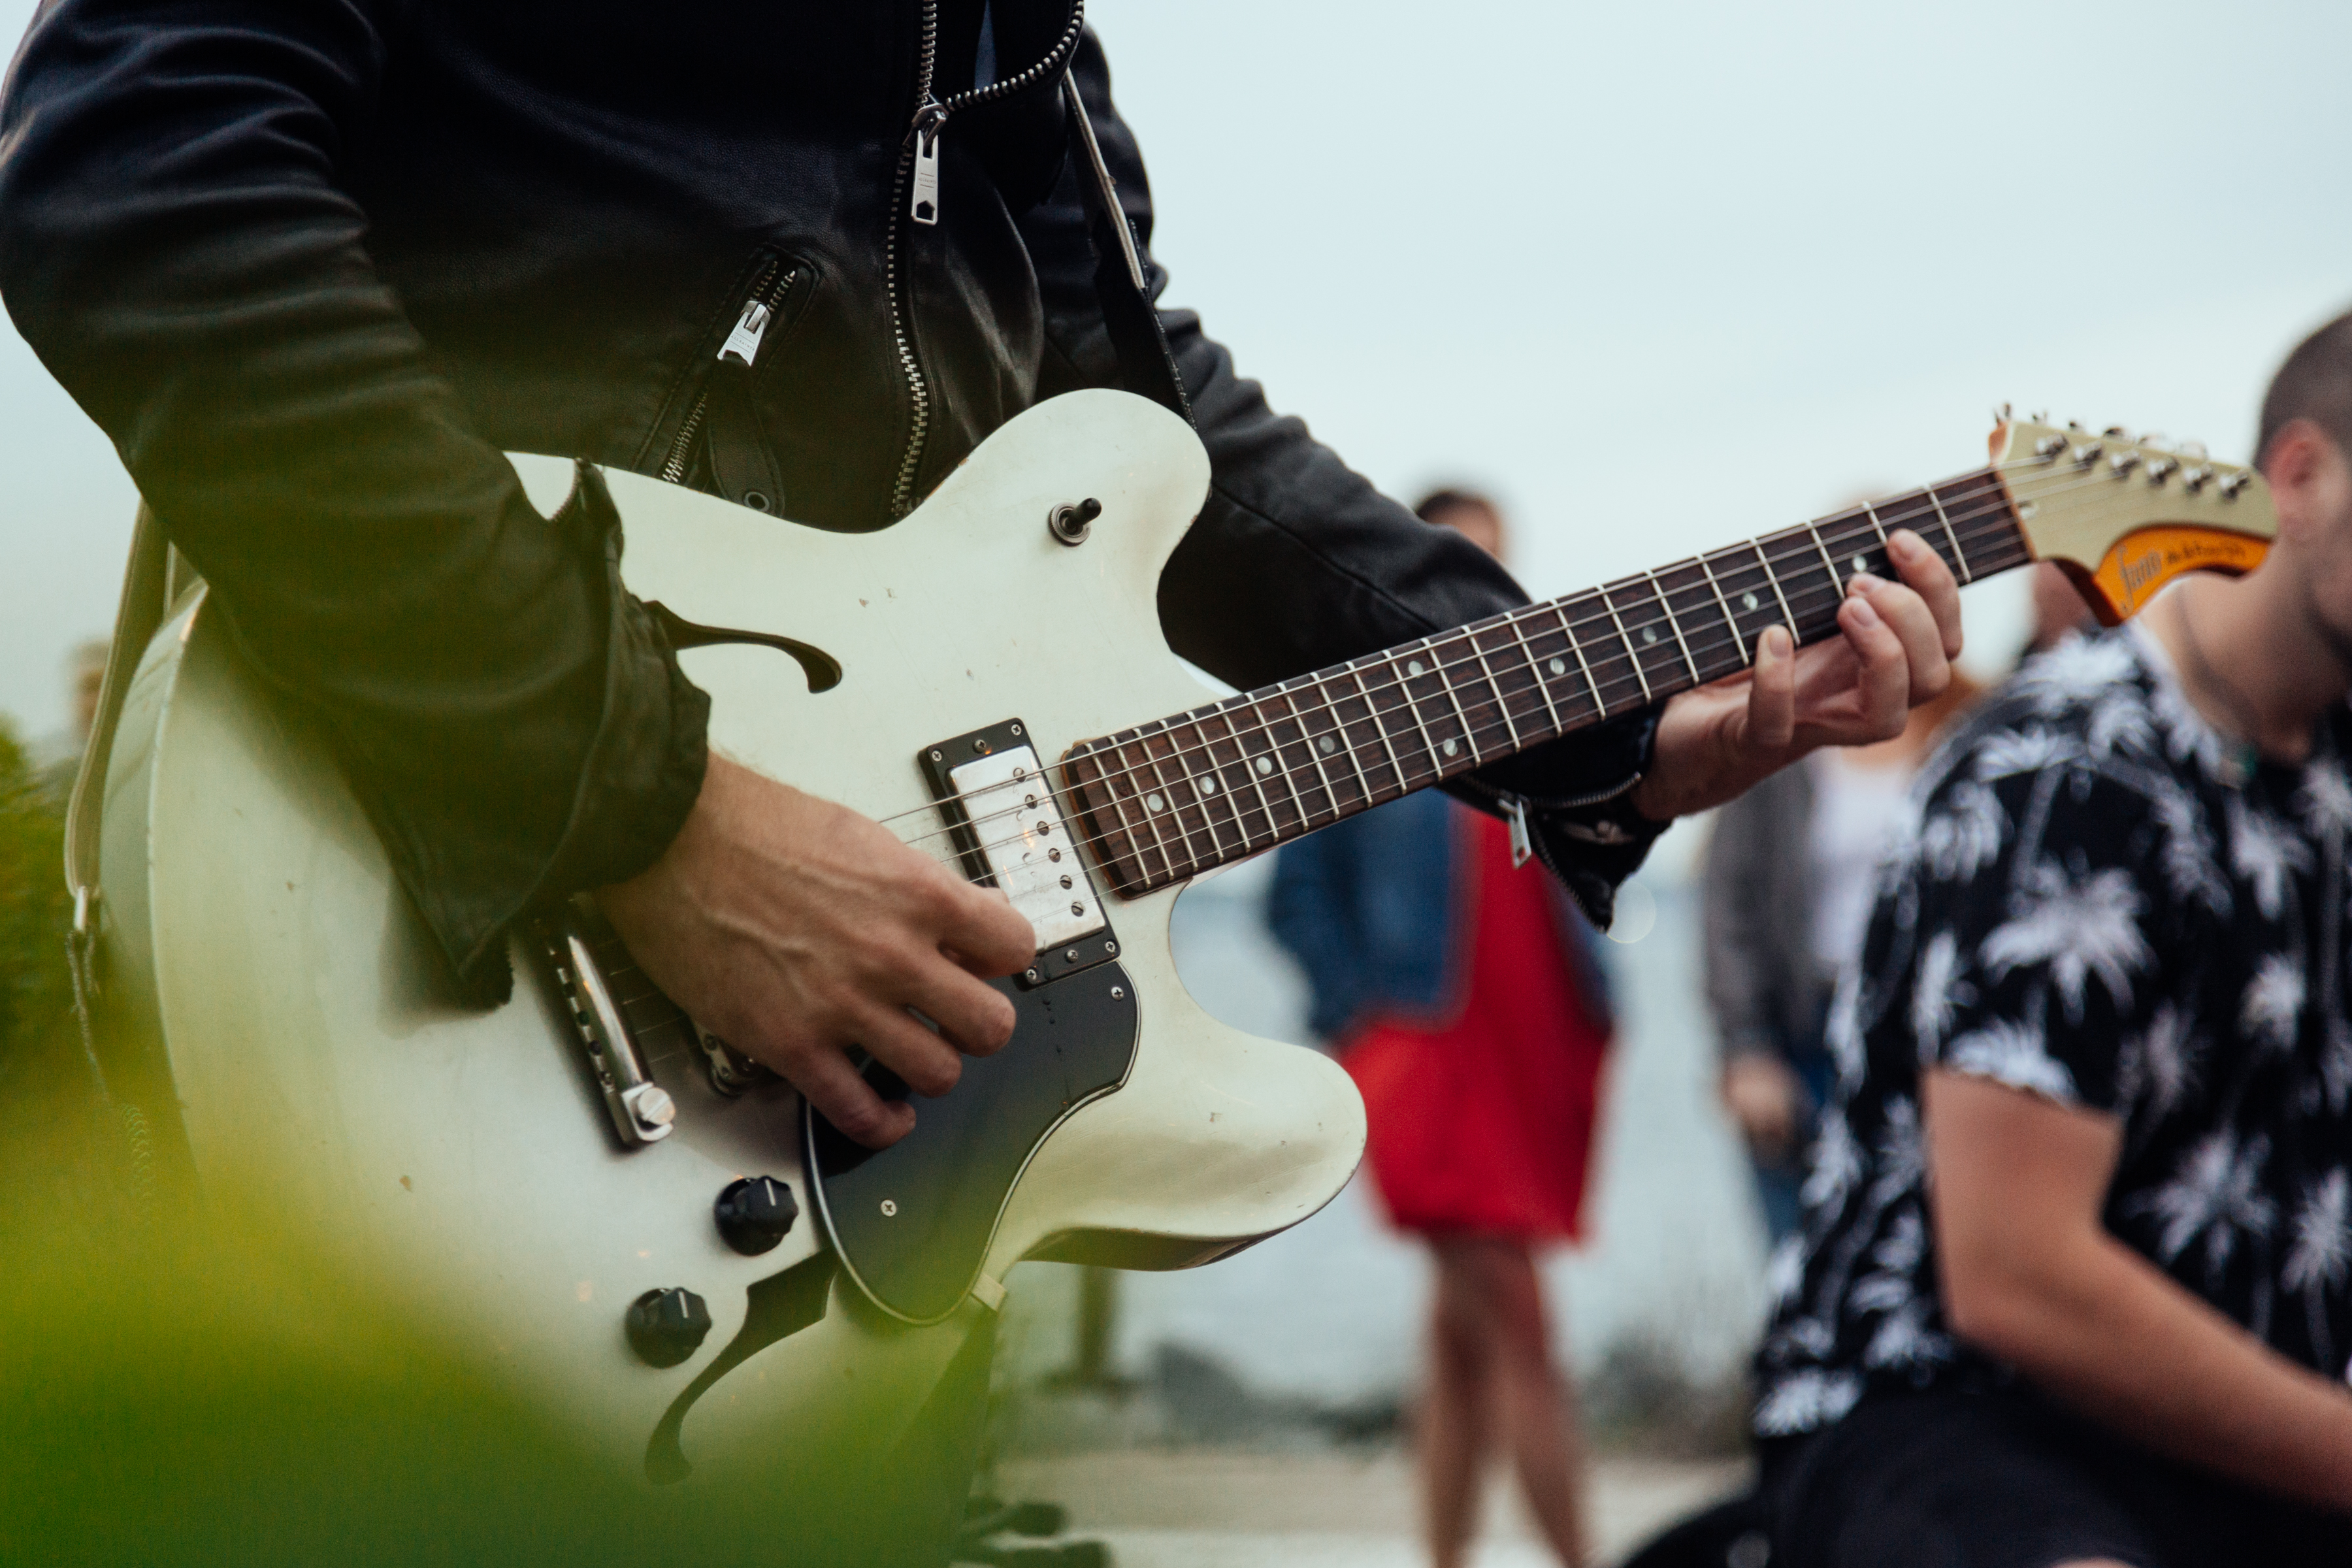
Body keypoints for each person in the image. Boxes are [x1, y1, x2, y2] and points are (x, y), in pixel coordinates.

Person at [0, 0, 1961, 1158]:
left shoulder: (1006, 27)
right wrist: (644, 802)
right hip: (408, 950)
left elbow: (1145, 423)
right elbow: (135, 181)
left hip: (814, 1126)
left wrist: (1604, 719)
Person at [1751, 312, 2352, 1567]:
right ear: (2299, 478)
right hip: (1950, 1421)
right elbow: (2017, 1280)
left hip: (2261, 1439)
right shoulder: (2066, 769)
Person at [1271, 489, 1615, 1568]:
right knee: (1522, 1326)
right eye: (1456, 559)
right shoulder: (1355, 718)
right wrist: (1360, 1025)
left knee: (1464, 1341)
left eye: (1496, 565)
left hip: (1531, 1048)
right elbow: (1295, 895)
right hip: (1425, 1058)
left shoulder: (1544, 711)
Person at [1704, 672, 1979, 1242]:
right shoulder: (1781, 736)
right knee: (1803, 1248)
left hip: (1922, 1034)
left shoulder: (1961, 724)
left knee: (1917, 1245)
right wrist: (1746, 1048)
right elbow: (1729, 898)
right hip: (1806, 1032)